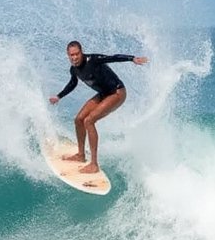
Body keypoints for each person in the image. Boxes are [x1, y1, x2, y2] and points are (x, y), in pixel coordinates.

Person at [49, 40, 148, 174]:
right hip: (103, 94)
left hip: (117, 92)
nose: (74, 58)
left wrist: (132, 59)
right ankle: (81, 155)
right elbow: (73, 83)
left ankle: (94, 164)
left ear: (81, 52)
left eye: (76, 54)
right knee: (79, 120)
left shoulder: (93, 60)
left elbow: (112, 58)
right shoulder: (74, 69)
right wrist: (59, 96)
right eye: (71, 55)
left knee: (89, 121)